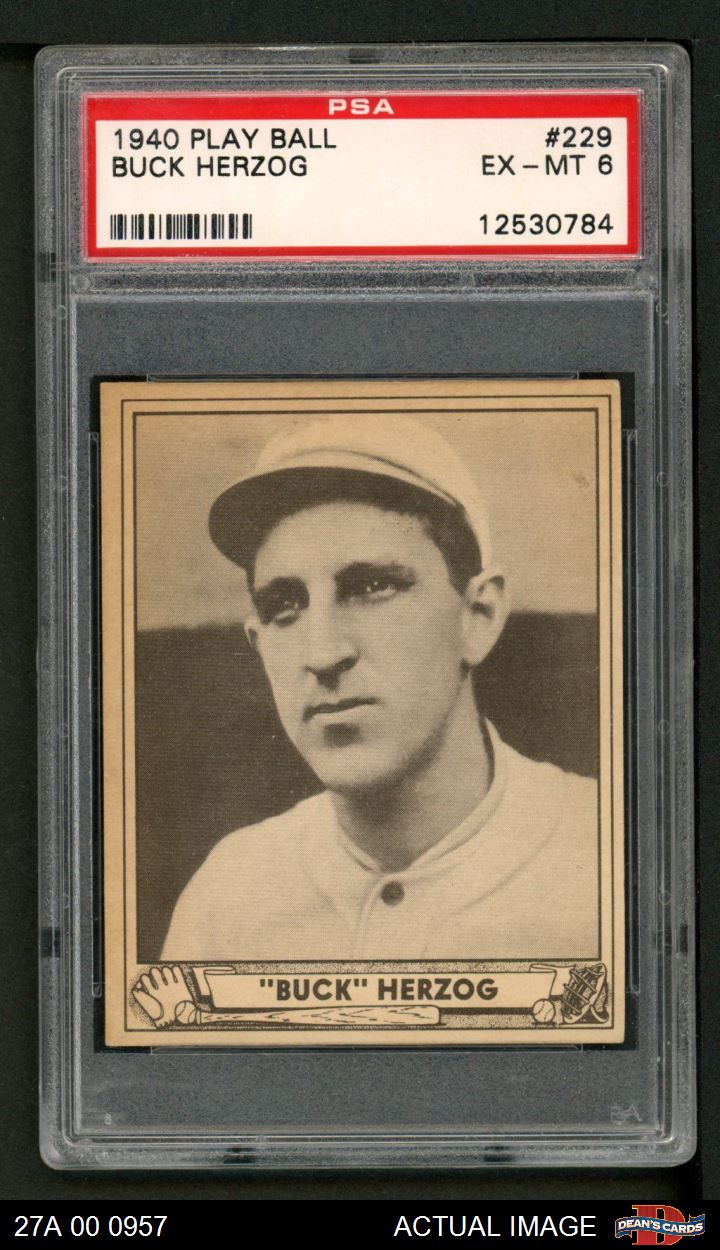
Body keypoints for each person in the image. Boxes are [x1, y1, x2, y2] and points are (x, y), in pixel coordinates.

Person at [161, 414, 598, 961]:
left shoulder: (612, 856)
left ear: (478, 616)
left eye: (372, 587)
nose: (323, 654)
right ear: (258, 643)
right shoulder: (228, 895)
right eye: (283, 606)